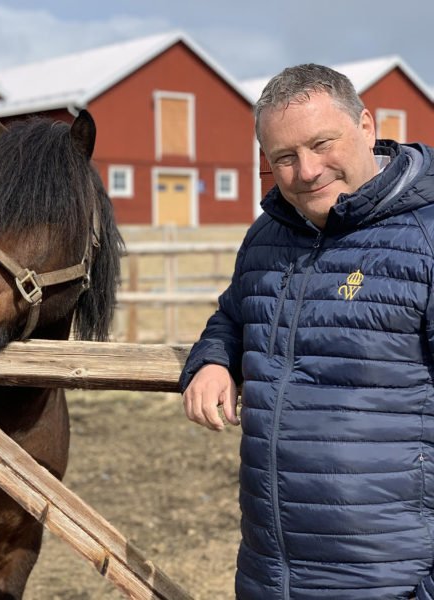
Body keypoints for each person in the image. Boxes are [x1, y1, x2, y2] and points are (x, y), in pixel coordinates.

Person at [180, 63, 434, 599]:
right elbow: (233, 314)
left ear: (366, 125)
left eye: (322, 143)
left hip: (390, 579)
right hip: (270, 574)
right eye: (285, 158)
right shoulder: (269, 234)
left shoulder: (424, 238)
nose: (308, 170)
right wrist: (211, 360)